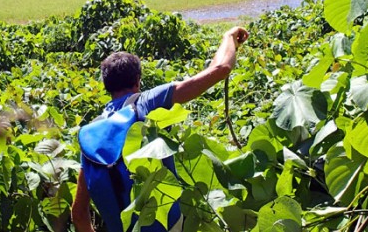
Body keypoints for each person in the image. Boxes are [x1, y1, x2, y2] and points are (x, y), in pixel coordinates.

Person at [71, 26, 249, 232]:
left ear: (107, 87)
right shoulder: (146, 102)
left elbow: (79, 215)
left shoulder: (90, 135)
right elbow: (220, 69)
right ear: (138, 81)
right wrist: (228, 38)